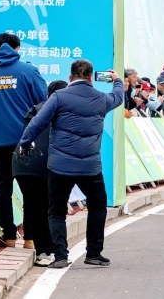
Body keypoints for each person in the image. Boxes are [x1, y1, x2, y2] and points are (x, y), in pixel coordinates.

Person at [17, 59, 124, 269]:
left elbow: (38, 122)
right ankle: (94, 253)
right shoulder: (101, 99)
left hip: (60, 165)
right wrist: (117, 81)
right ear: (91, 78)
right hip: (90, 167)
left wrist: (25, 143)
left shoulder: (58, 97)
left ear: (70, 77)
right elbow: (118, 97)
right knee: (98, 206)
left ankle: (60, 256)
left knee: (56, 211)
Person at [0, 32, 49, 245]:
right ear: (17, 48)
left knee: (3, 188)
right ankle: (30, 238)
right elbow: (42, 100)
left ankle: (9, 236)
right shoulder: (29, 70)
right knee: (31, 190)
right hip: (26, 140)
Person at [13, 80, 67, 267]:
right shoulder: (64, 110)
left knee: (33, 205)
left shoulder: (35, 108)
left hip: (22, 163)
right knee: (48, 208)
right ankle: (47, 250)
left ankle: (40, 248)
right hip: (44, 163)